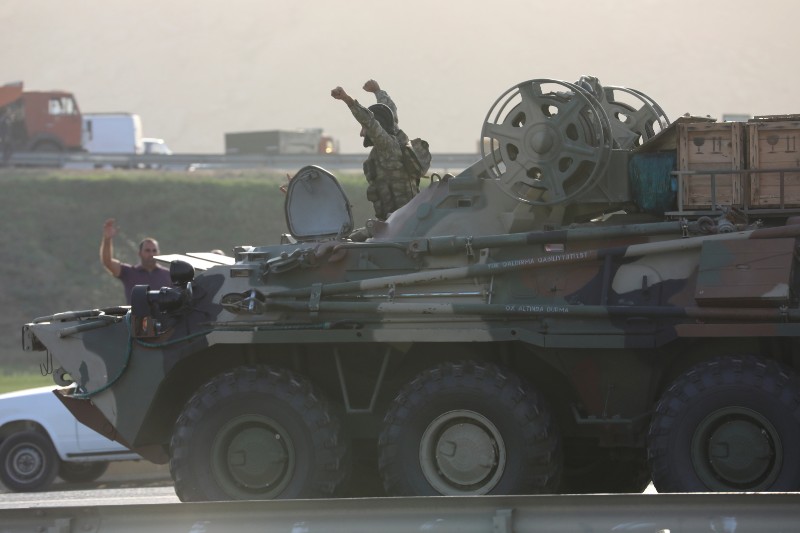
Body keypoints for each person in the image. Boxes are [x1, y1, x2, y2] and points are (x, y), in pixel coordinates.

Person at [331, 80, 419, 223]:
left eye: (363, 127)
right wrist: (378, 91)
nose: (361, 133)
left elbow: (370, 122)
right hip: (395, 221)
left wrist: (347, 99)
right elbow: (389, 110)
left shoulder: (388, 148)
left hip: (400, 224)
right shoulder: (395, 140)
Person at [100, 218, 171, 304]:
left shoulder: (169, 275)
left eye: (154, 251)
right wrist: (107, 240)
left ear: (159, 254)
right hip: (135, 317)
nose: (151, 254)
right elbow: (107, 262)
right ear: (140, 253)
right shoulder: (129, 272)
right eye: (147, 251)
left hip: (163, 317)